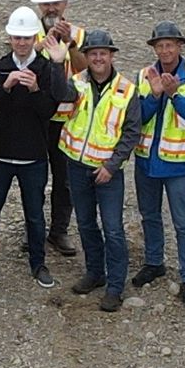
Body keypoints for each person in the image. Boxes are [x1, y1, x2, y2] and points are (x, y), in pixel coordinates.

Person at [0, 7, 69, 290]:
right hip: (1, 154)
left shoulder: (46, 68)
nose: (22, 43)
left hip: (34, 155)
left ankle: (38, 264)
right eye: (17, 38)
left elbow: (49, 111)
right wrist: (7, 86)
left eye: (26, 38)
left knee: (34, 213)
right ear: (10, 38)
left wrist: (36, 90)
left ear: (34, 37)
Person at [56, 30, 140, 312]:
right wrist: (57, 64)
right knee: (85, 223)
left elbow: (131, 133)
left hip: (107, 172)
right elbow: (59, 100)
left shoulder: (127, 90)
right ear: (86, 57)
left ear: (111, 56)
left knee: (113, 229)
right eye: (93, 53)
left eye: (103, 53)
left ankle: (115, 287)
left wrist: (111, 166)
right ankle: (95, 272)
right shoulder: (76, 83)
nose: (98, 58)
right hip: (77, 165)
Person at [130, 21, 185, 305]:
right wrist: (154, 94)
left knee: (183, 222)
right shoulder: (144, 75)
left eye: (169, 45)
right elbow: (137, 117)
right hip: (146, 161)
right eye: (160, 46)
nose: (165, 50)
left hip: (178, 164)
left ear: (179, 46)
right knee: (149, 216)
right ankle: (154, 262)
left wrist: (174, 94)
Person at [32, 0, 86, 257]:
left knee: (65, 180)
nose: (52, 7)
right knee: (36, 178)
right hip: (38, 118)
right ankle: (35, 231)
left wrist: (70, 43)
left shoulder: (80, 33)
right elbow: (24, 63)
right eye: (47, 3)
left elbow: (85, 70)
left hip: (69, 119)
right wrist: (41, 47)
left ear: (66, 4)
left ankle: (59, 231)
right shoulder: (29, 32)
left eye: (56, 2)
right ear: (40, 5)